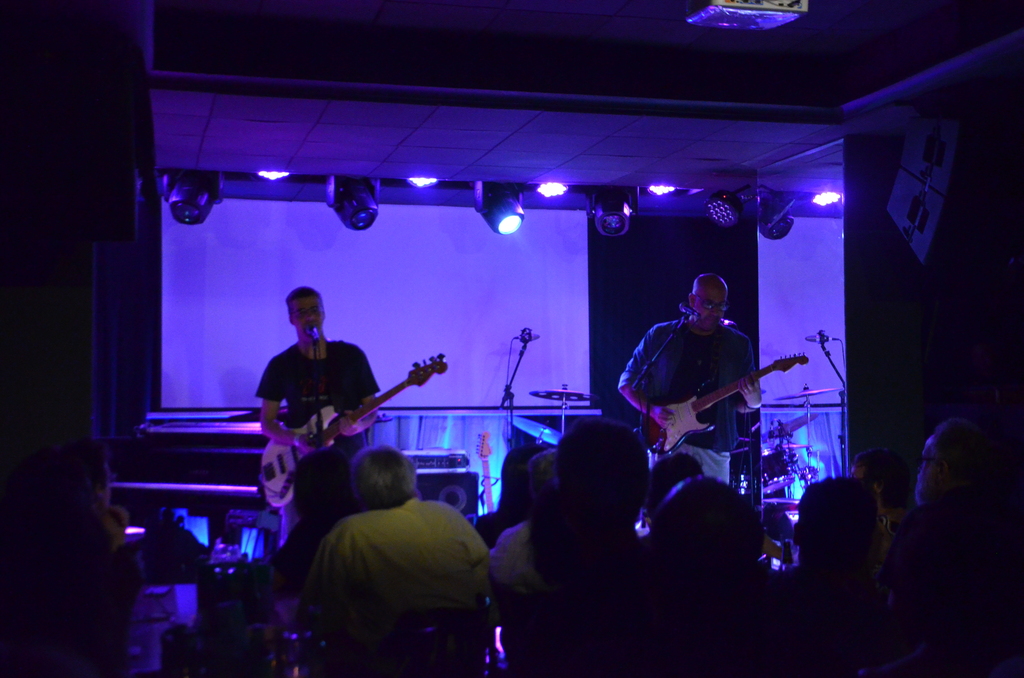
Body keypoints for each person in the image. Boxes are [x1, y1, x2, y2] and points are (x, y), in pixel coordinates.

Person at [301, 446, 491, 670]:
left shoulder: (348, 532)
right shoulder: (449, 515)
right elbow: (485, 584)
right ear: (412, 481)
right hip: (463, 661)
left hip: (385, 665)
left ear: (357, 490)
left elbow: (319, 614)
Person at [866, 419, 1024, 678]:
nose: (919, 472)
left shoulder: (924, 523)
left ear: (941, 470)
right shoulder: (1012, 520)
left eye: (924, 463)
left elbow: (897, 614)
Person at [619, 273, 760, 483]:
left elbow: (742, 406)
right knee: (663, 503)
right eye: (709, 304)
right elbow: (626, 384)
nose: (715, 312)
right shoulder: (661, 336)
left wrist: (754, 401)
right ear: (692, 300)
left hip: (714, 449)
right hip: (665, 443)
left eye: (721, 305)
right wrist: (653, 411)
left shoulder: (737, 344)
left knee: (713, 505)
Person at [256, 286, 380, 463]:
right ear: (291, 319)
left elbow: (372, 409)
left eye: (315, 310)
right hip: (302, 459)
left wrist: (358, 425)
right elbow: (267, 423)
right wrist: (297, 439)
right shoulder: (281, 364)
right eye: (301, 312)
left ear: (323, 313)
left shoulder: (351, 355)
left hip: (349, 457)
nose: (310, 317)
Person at [851, 448, 911, 585]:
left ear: (878, 485)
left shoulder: (872, 530)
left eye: (854, 480)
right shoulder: (915, 524)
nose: (849, 487)